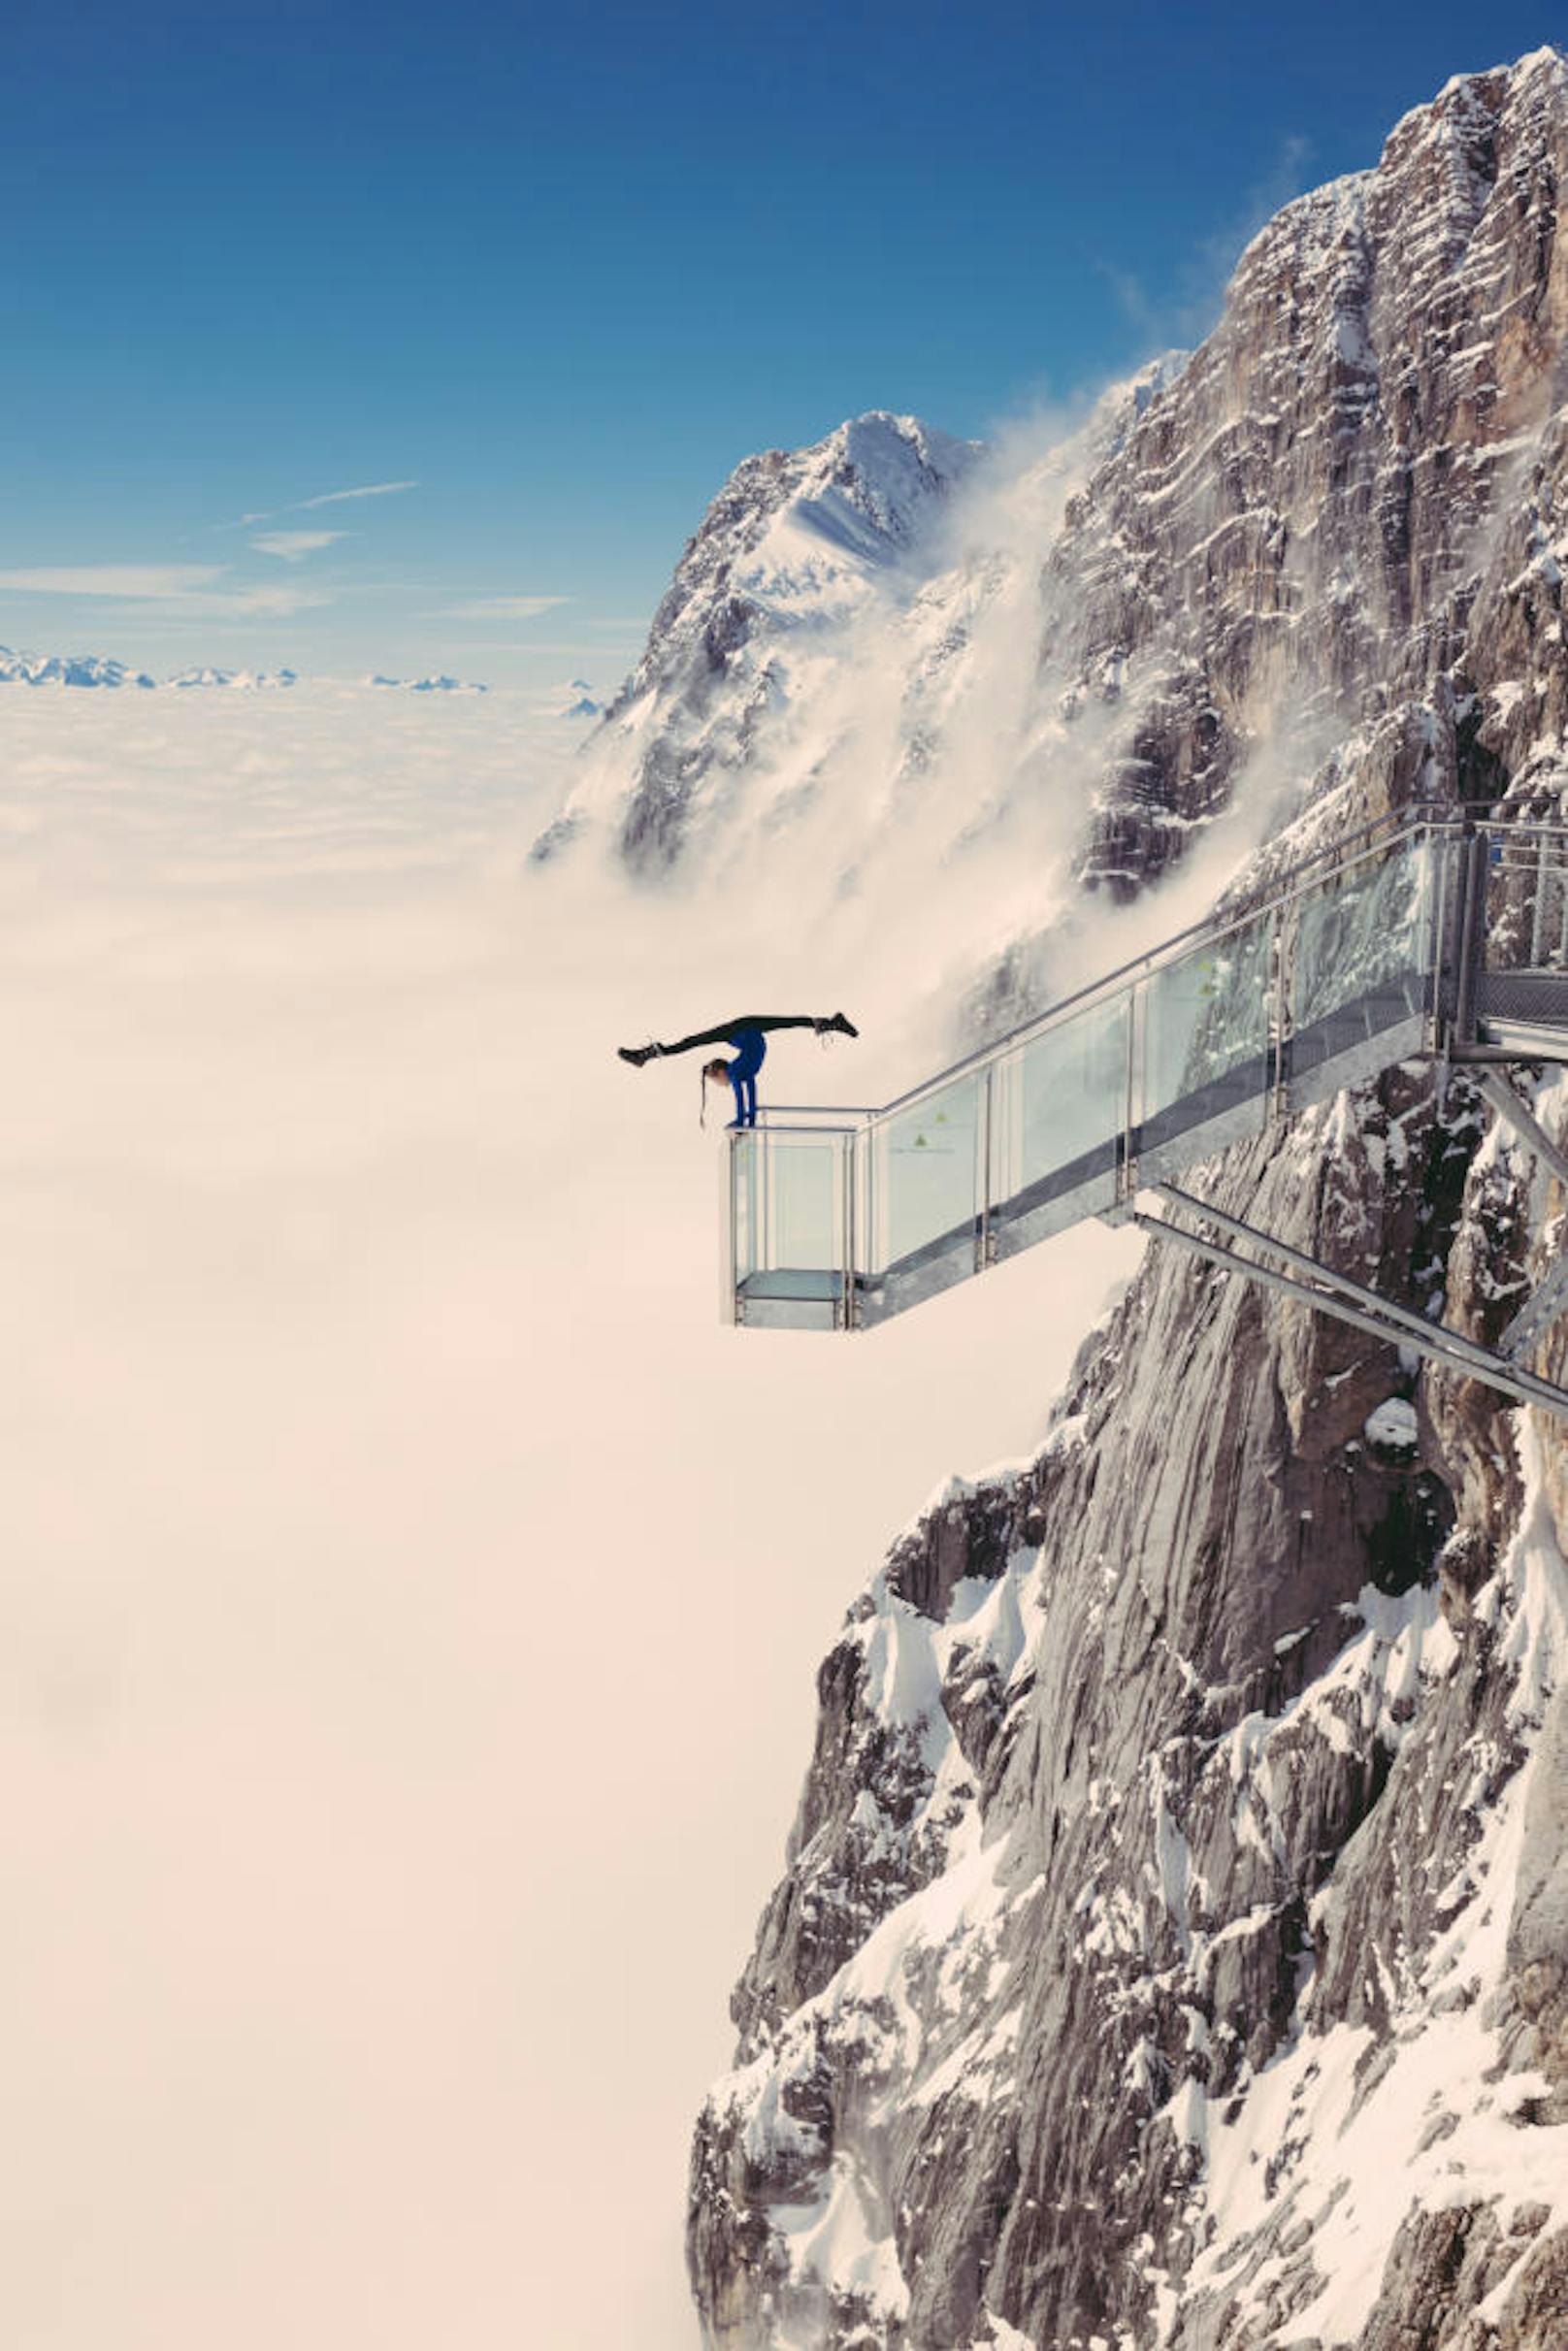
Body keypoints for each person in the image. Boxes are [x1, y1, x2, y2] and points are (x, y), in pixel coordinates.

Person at [618, 1011, 859, 1127]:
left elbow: (742, 1099)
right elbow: (749, 1097)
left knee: (694, 1041)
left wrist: (743, 1123)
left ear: (719, 1072)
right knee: (784, 1023)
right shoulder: (741, 1069)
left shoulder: (735, 1072)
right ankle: (830, 1022)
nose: (722, 1085)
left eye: (717, 1082)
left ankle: (651, 1053)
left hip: (742, 1032)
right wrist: (749, 1121)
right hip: (749, 1030)